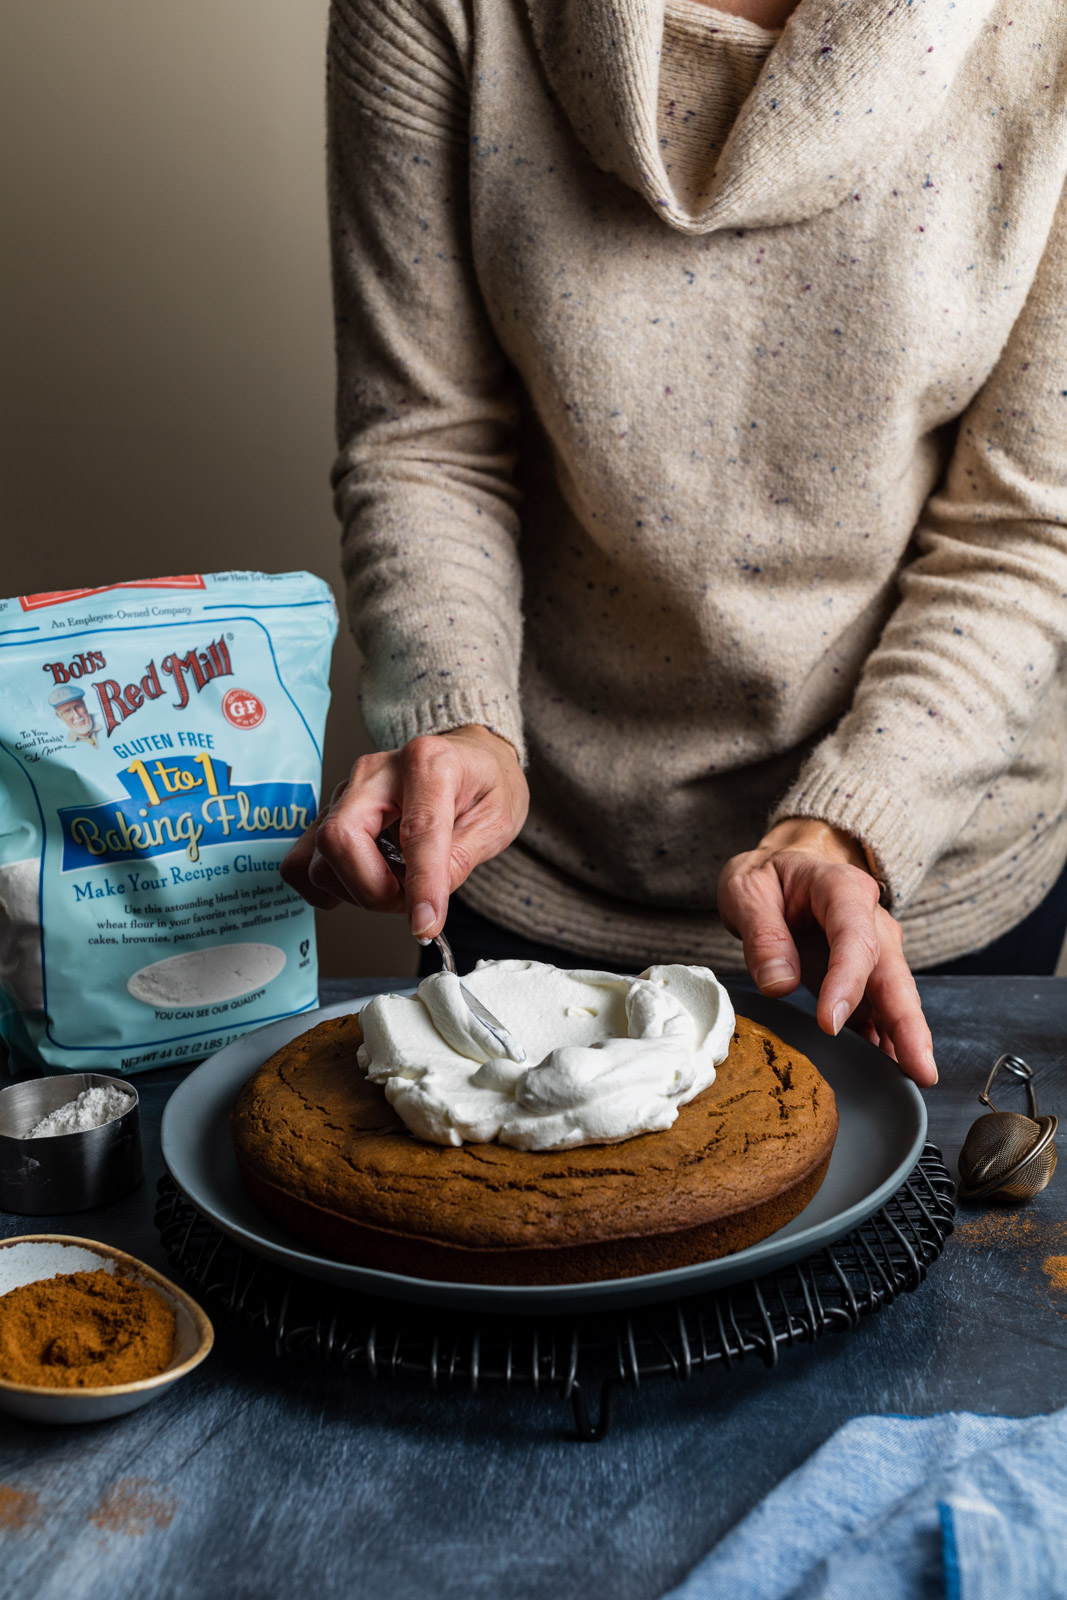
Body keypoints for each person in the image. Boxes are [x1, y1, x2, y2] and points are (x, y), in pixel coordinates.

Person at [283, 0, 1067, 1089]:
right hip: (544, 857)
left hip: (922, 871)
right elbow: (429, 440)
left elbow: (1022, 525)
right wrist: (459, 718)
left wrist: (848, 831)